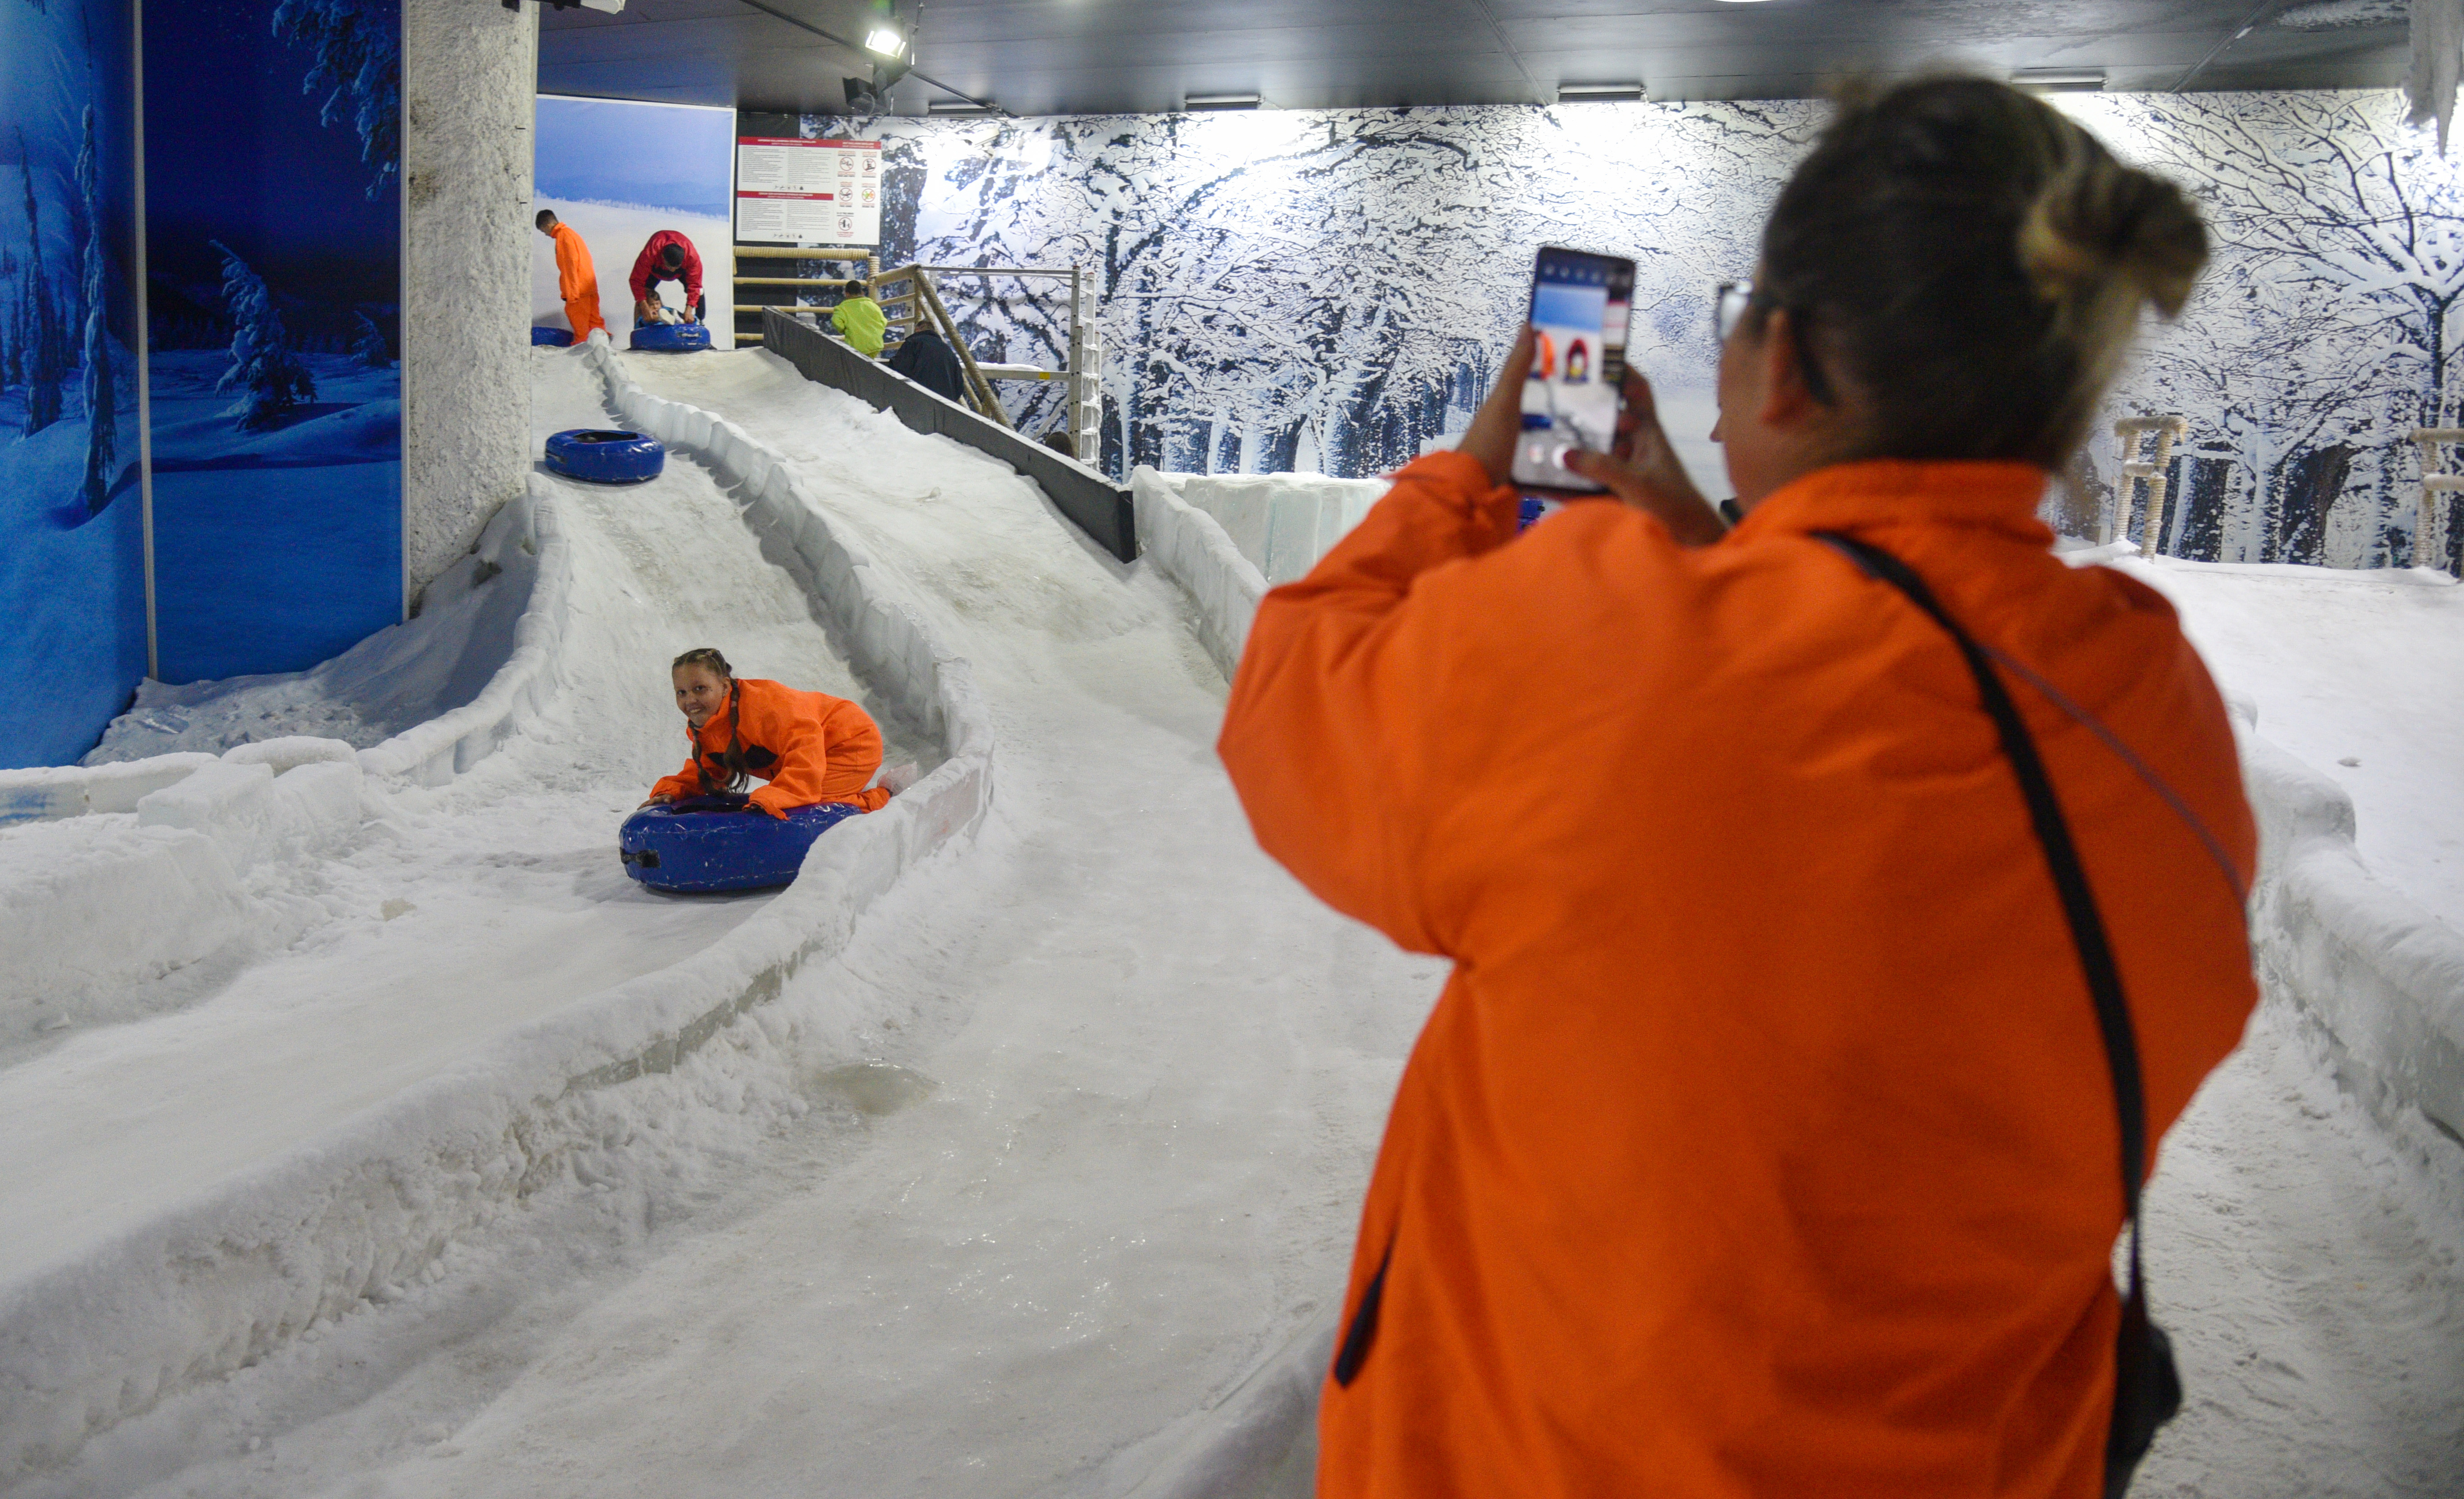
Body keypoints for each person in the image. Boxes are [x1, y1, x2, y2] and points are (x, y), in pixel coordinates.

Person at [1218, 76, 2256, 1497]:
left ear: (1781, 370)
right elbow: (1872, 707)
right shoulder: (2153, 710)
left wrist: (1469, 472)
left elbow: (1290, 704)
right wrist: (1698, 533)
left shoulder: (1605, 657)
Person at [644, 648, 892, 817]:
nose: (691, 701)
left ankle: (883, 797)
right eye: (682, 692)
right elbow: (710, 768)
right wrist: (673, 792)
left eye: (700, 688)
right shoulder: (708, 726)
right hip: (817, 750)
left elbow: (805, 743)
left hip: (850, 741)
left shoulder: (763, 706)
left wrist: (785, 793)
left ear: (724, 686)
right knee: (792, 797)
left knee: (809, 802)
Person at [535, 209, 605, 341]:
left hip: (578, 292)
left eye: (543, 231)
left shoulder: (563, 237)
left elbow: (570, 267)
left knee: (582, 333)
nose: (545, 234)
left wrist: (572, 295)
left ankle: (583, 359)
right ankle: (603, 351)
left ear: (547, 226)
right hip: (589, 287)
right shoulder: (572, 234)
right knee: (596, 328)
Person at [630, 230, 704, 327]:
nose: (672, 271)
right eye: (670, 267)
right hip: (656, 268)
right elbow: (637, 281)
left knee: (700, 292)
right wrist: (644, 307)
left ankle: (699, 324)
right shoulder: (651, 253)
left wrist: (689, 310)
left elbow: (695, 285)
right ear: (663, 257)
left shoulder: (692, 257)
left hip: (683, 271)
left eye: (675, 268)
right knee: (643, 295)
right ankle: (639, 329)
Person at [886, 323, 965, 401]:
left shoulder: (913, 343)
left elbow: (899, 369)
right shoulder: (948, 350)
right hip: (945, 405)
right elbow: (959, 384)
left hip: (919, 399)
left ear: (917, 330)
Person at [832, 278, 887, 358]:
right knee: (870, 365)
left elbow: (838, 323)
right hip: (875, 345)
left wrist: (845, 330)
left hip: (856, 347)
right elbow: (883, 322)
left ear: (847, 294)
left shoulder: (842, 308)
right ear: (862, 293)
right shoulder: (873, 306)